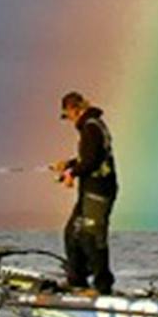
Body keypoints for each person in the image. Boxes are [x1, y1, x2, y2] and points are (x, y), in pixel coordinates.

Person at [53, 90, 117, 294]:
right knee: (72, 233)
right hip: (88, 191)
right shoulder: (91, 127)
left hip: (99, 192)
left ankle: (102, 286)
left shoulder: (91, 128)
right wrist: (68, 165)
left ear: (75, 109)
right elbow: (89, 157)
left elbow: (92, 161)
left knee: (92, 237)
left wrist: (72, 173)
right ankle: (77, 280)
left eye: (68, 115)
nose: (69, 120)